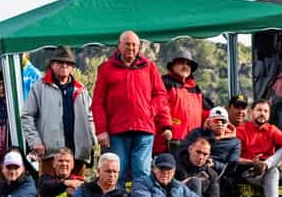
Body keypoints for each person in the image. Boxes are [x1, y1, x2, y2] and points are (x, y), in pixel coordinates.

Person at [90, 31, 169, 186]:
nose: (131, 48)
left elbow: (161, 95)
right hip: (117, 131)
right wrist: (101, 130)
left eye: (134, 45)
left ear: (139, 47)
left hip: (144, 130)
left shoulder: (149, 67)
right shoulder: (106, 69)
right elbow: (97, 102)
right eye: (127, 44)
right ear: (119, 46)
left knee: (142, 173)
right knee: (116, 173)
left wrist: (149, 111)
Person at [22, 47, 96, 166]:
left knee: (77, 185)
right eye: (60, 62)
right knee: (49, 185)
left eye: (68, 63)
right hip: (50, 154)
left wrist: (92, 141)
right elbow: (27, 116)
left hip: (78, 154)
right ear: (52, 64)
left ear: (72, 66)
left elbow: (90, 116)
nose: (64, 65)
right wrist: (35, 142)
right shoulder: (39, 87)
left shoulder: (81, 89)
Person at [163, 51, 212, 148]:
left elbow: (206, 112)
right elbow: (161, 109)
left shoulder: (195, 88)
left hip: (194, 141)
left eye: (188, 64)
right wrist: (166, 128)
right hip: (171, 139)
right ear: (172, 66)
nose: (185, 66)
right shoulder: (164, 82)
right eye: (181, 62)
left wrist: (214, 120)